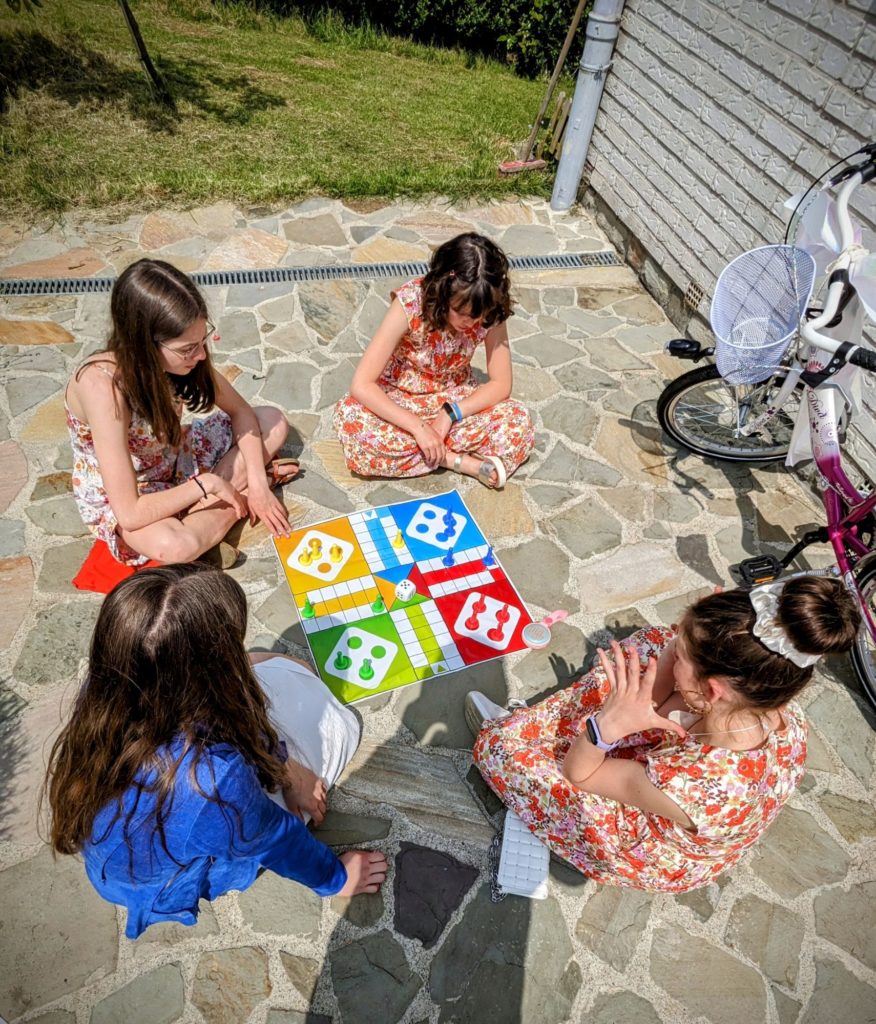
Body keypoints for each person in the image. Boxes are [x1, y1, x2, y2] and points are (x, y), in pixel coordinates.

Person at [43, 564, 387, 939]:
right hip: (166, 879)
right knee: (332, 715)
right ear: (210, 675)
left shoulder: (105, 688)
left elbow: (233, 714)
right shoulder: (215, 782)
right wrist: (335, 878)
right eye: (230, 649)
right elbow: (277, 840)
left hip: (123, 855)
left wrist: (284, 765)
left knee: (274, 668)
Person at [468, 576, 860, 892]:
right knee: (652, 645)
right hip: (690, 754)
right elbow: (675, 662)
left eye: (684, 654)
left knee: (501, 749)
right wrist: (695, 634)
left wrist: (609, 728)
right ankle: (600, 727)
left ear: (710, 692)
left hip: (650, 838)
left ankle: (558, 786)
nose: (675, 644)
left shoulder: (699, 785)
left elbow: (579, 774)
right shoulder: (766, 696)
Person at [66, 258, 299, 567]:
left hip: (174, 457)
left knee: (272, 421)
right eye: (188, 348)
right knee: (176, 546)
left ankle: (223, 506)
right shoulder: (101, 387)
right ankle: (230, 504)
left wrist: (255, 482)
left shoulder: (183, 359)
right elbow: (130, 512)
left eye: (202, 340)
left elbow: (242, 411)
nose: (201, 355)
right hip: (131, 492)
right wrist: (210, 485)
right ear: (145, 344)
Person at [333, 232, 534, 489]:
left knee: (518, 421)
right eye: (462, 313)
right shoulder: (410, 304)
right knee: (355, 425)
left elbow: (501, 384)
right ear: (443, 291)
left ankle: (429, 452)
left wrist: (449, 414)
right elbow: (362, 384)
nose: (471, 323)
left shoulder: (490, 309)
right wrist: (418, 428)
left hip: (455, 398)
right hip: (401, 397)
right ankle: (455, 460)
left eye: (477, 316)